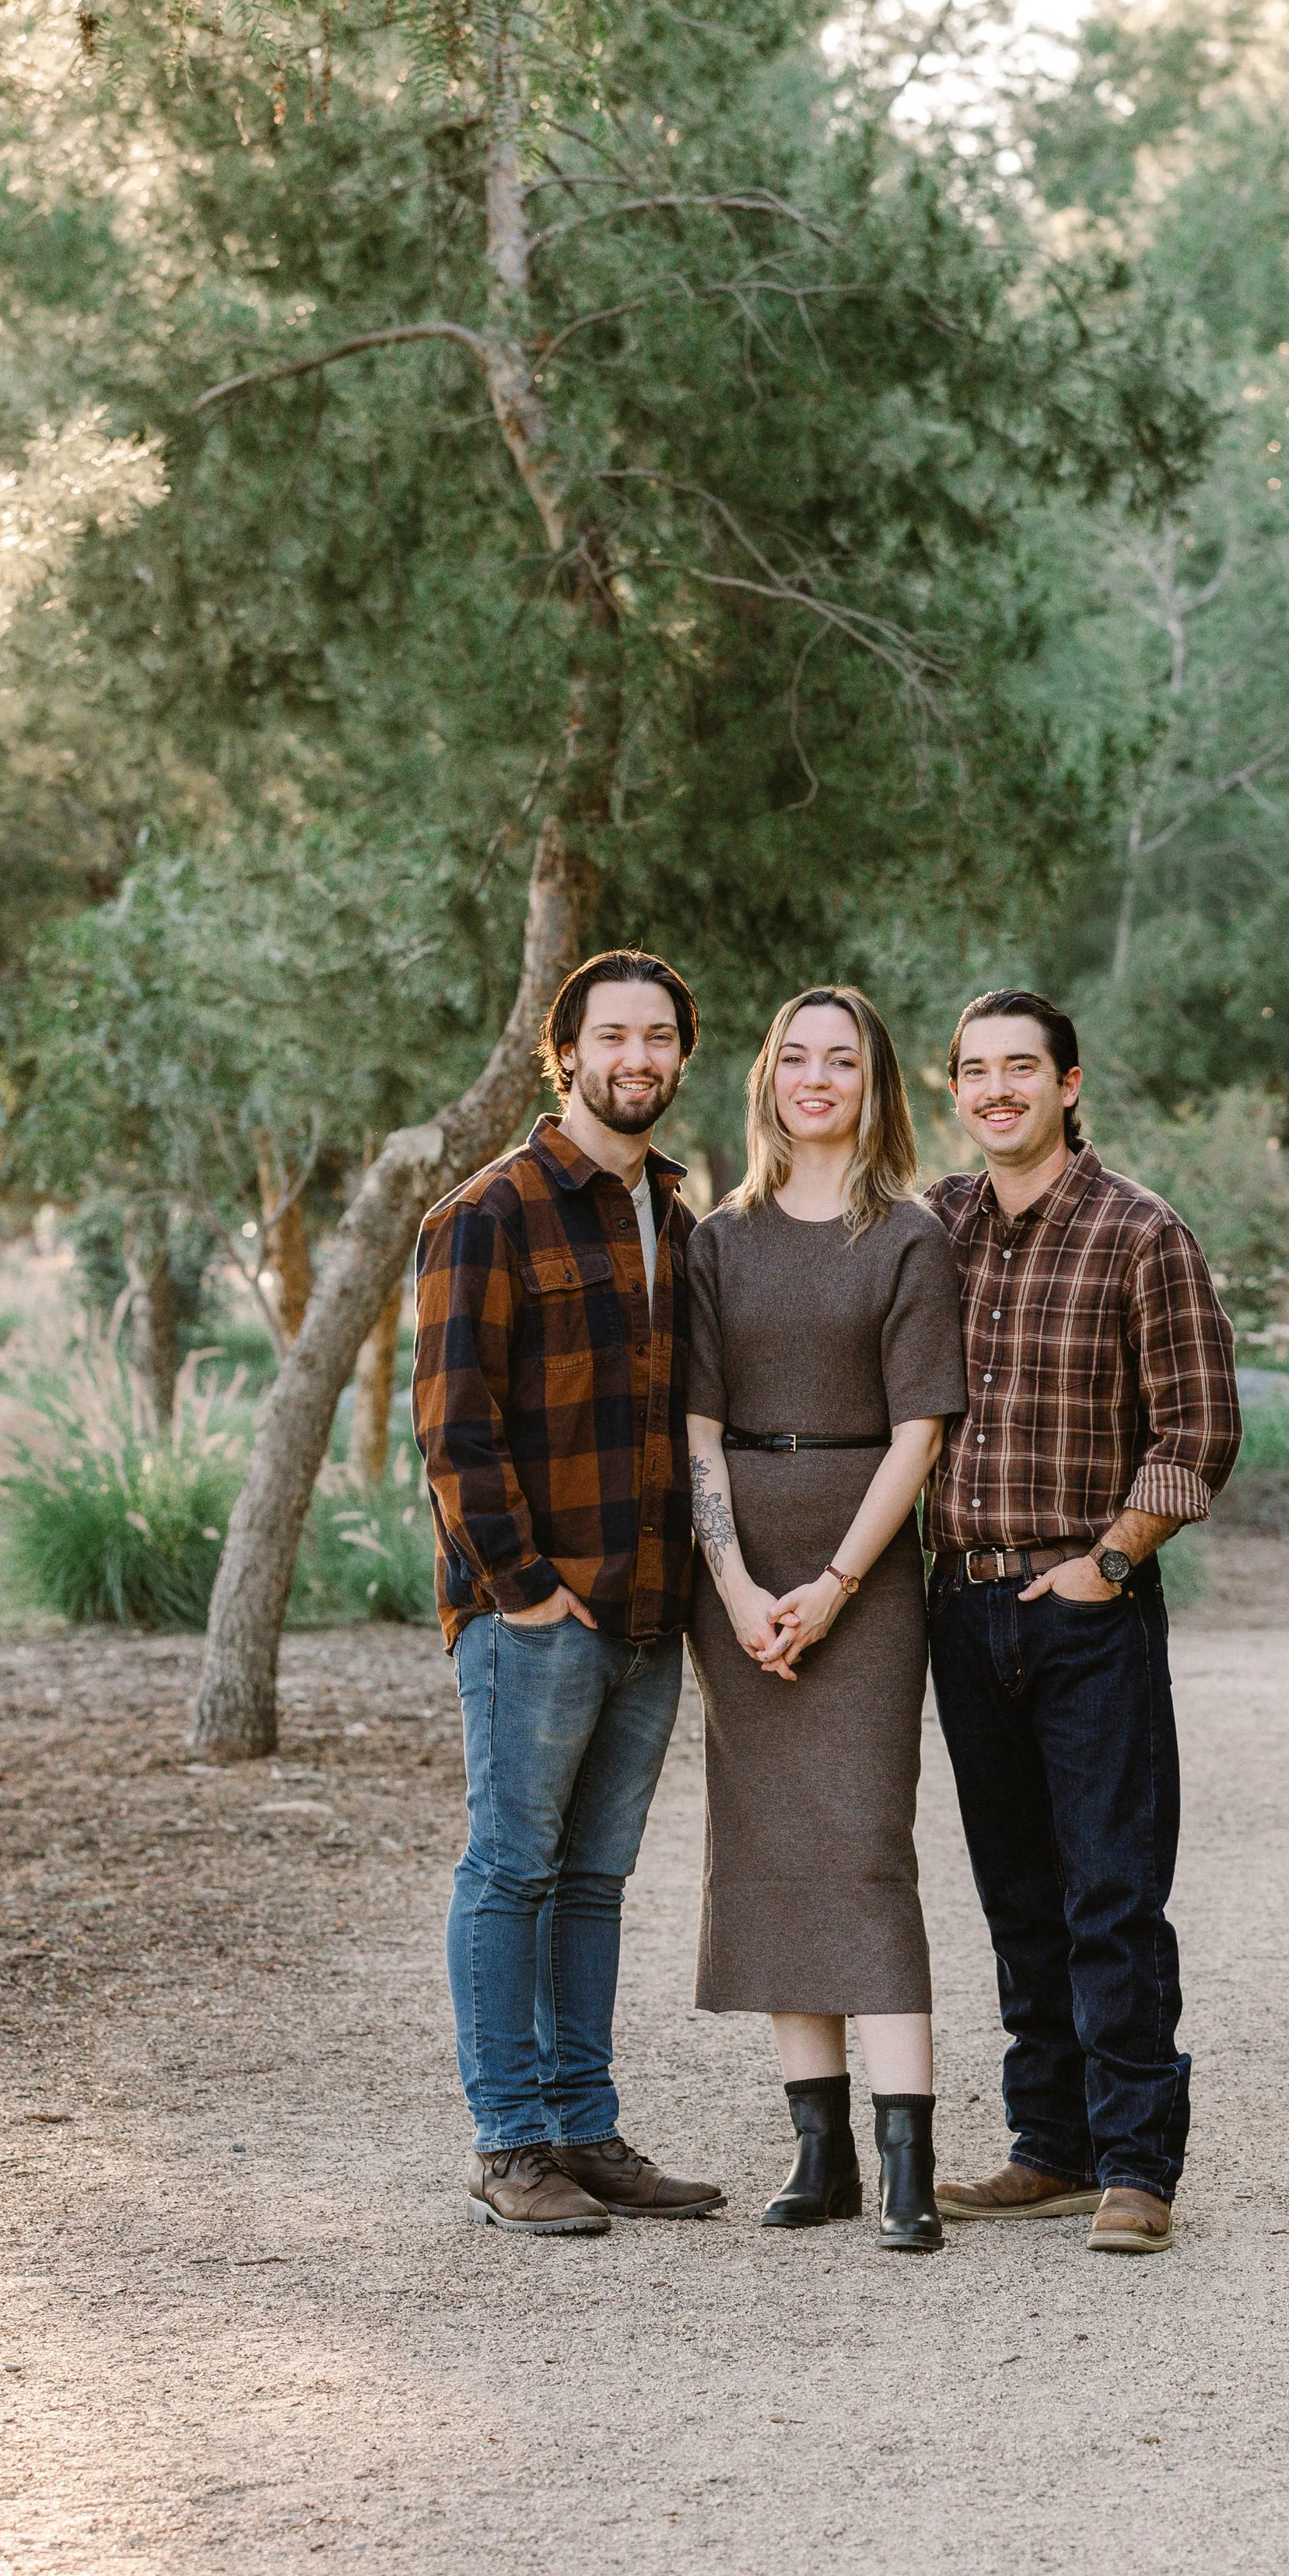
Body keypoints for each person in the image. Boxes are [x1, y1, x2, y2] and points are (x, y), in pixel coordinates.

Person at [924, 989, 1242, 2254]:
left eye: (1021, 1068)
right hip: (962, 1601)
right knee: (1016, 1892)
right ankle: (1046, 2145)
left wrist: (1111, 1562)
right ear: (955, 1090)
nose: (996, 1089)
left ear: (1068, 1084)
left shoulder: (1138, 1231)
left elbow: (1199, 1428)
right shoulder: (934, 1230)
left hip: (1084, 1603)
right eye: (974, 1070)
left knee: (1111, 1887)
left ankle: (1136, 2166)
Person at [413, 950, 724, 2238]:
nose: (637, 1058)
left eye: (659, 1038)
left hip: (651, 1612)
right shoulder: (488, 1211)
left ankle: (584, 2130)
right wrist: (524, 1591)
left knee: (593, 1880)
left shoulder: (679, 1216)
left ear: (680, 1058)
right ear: (569, 1052)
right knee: (513, 1869)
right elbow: (452, 1428)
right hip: (539, 1615)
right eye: (614, 1037)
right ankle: (510, 2145)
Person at [685, 987, 968, 2250]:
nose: (815, 1078)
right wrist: (738, 1583)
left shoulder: (907, 1235)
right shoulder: (716, 1240)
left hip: (865, 1574)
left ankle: (909, 2157)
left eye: (839, 1060)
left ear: (873, 1082)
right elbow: (694, 1423)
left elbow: (922, 1429)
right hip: (739, 1576)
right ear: (767, 1080)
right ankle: (822, 2152)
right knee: (772, 1852)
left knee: (863, 1847)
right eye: (793, 1057)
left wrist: (840, 1583)